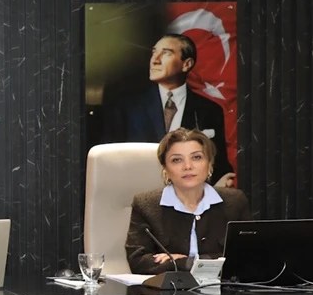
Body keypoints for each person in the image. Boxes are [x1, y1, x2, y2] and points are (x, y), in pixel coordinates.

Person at [104, 33, 235, 187]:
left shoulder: (210, 110)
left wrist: (221, 183)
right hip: (137, 194)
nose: (155, 60)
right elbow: (107, 162)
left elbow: (219, 165)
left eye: (166, 53)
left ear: (187, 64)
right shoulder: (126, 107)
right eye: (154, 52)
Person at [125, 128, 252, 275]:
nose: (187, 166)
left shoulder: (234, 202)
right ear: (165, 168)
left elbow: (247, 255)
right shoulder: (145, 205)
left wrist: (187, 262)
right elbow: (138, 262)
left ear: (209, 164)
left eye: (196, 157)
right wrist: (187, 263)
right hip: (168, 289)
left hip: (222, 288)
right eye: (177, 160)